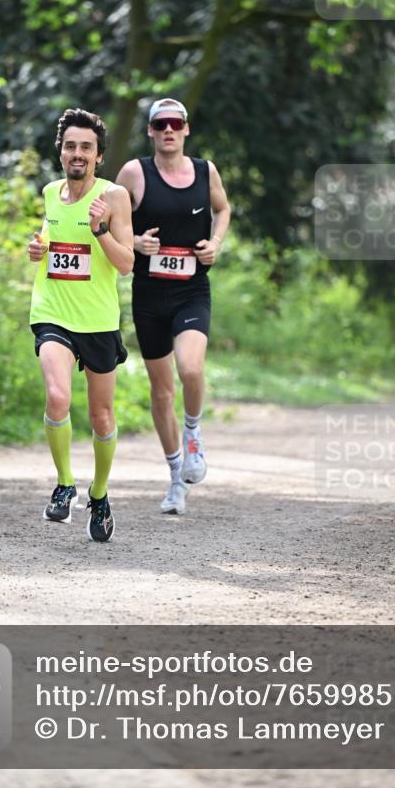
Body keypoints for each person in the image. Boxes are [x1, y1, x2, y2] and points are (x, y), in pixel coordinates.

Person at [116, 97, 231, 514]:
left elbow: (222, 209)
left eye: (175, 123)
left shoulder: (205, 171)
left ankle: (194, 434)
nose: (168, 130)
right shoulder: (134, 172)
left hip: (191, 290)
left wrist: (215, 244)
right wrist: (134, 243)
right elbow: (112, 222)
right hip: (149, 296)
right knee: (162, 393)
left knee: (191, 368)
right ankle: (174, 479)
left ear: (186, 129)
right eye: (160, 123)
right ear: (150, 131)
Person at [28, 108, 134, 541]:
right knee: (57, 397)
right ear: (61, 152)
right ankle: (65, 484)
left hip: (98, 320)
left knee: (101, 415)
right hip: (52, 311)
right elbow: (50, 241)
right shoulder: (51, 192)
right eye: (70, 146)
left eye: (86, 147)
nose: (77, 153)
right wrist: (38, 248)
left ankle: (100, 492)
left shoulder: (115, 197)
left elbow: (126, 263)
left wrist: (101, 229)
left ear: (98, 156)